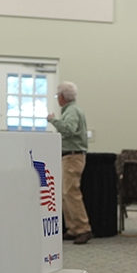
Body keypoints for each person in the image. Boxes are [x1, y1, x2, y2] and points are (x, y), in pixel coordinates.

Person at [47, 82, 93, 245]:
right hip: (70, 156)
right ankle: (73, 229)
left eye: (57, 96)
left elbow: (69, 129)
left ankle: (83, 229)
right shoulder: (72, 109)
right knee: (66, 193)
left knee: (71, 193)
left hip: (72, 157)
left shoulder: (72, 111)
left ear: (62, 96)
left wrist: (53, 120)